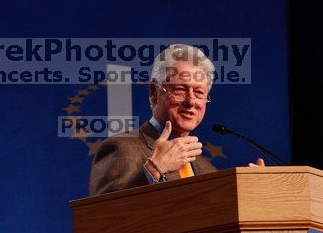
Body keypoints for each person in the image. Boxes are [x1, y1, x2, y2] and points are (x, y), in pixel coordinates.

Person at [88, 43, 263, 196]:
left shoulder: (206, 169)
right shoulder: (122, 148)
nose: (191, 101)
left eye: (199, 92)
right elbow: (100, 218)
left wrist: (248, 195)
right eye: (180, 90)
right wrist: (154, 169)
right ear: (153, 93)